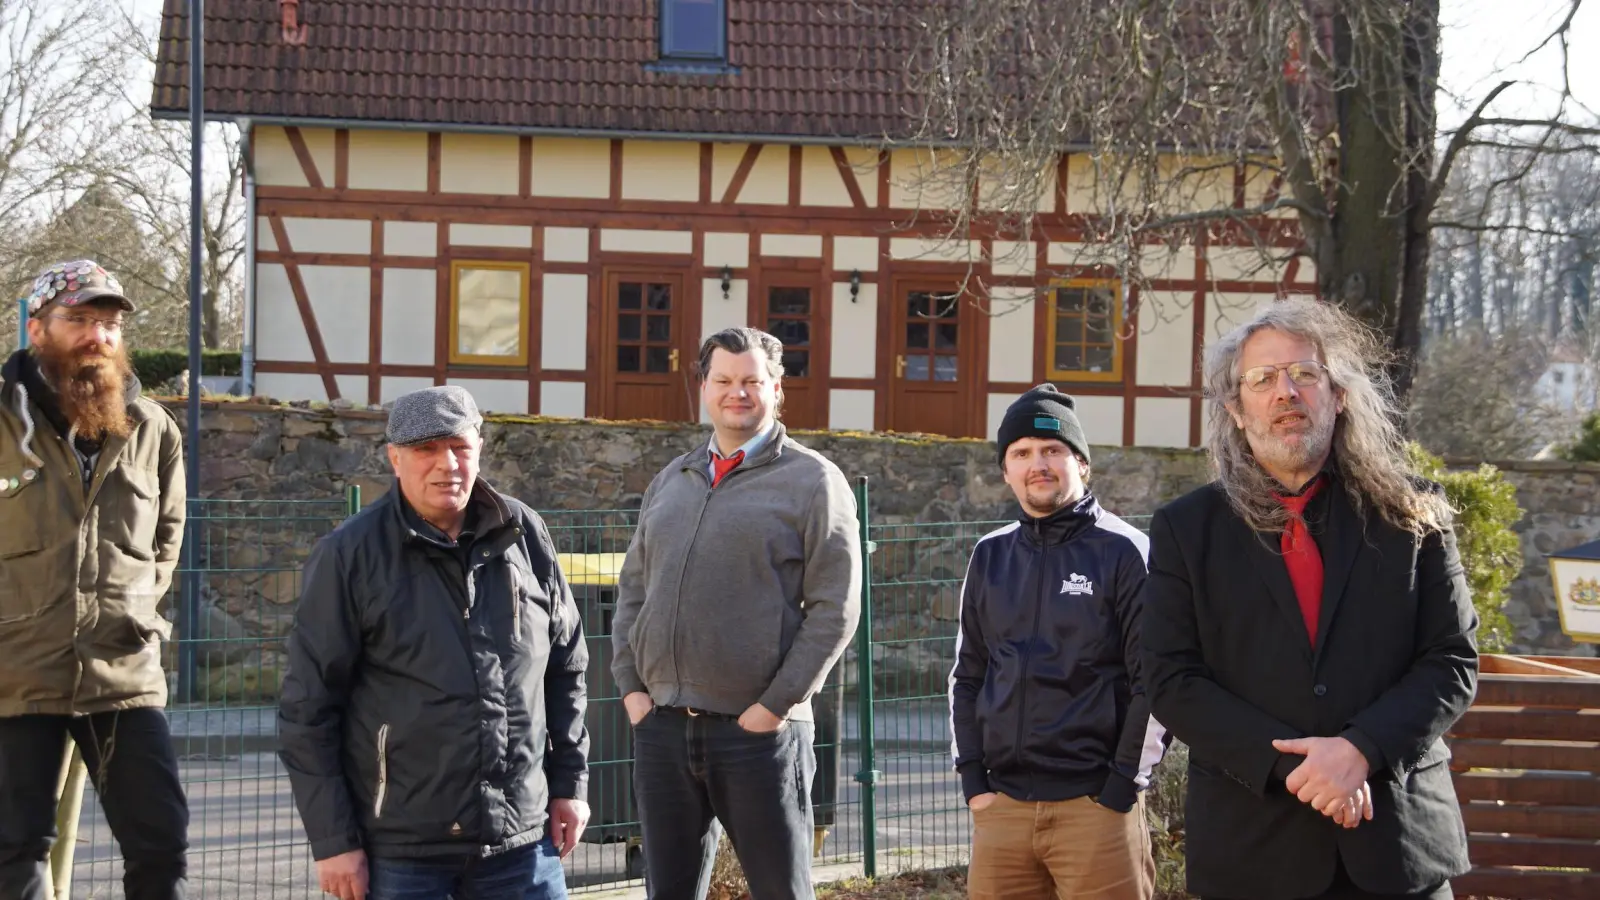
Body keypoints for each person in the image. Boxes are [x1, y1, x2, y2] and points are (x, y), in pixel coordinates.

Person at [1142, 298, 1478, 900]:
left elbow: (1452, 661)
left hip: (1397, 842)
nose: (1285, 393)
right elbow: (1170, 678)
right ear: (1236, 411)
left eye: (1305, 374)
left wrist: (1359, 750)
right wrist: (1303, 770)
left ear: (1340, 396)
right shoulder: (1186, 530)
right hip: (1255, 849)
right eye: (1263, 378)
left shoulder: (1412, 512)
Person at [279, 385, 589, 900]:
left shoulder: (523, 535)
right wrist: (334, 841)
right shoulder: (350, 556)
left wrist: (570, 786)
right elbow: (307, 711)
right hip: (403, 854)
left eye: (460, 447)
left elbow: (567, 668)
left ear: (480, 449)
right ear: (394, 459)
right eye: (426, 449)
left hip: (523, 846)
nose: (446, 463)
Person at [612, 326, 862, 900]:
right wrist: (632, 689)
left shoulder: (814, 481)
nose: (737, 393)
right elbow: (632, 591)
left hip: (759, 736)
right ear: (704, 387)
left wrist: (774, 707)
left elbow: (836, 608)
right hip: (663, 728)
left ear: (777, 389)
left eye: (753, 381)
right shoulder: (672, 479)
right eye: (723, 380)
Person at [0, 260, 190, 900]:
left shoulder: (153, 428)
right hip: (13, 672)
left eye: (108, 324)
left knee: (161, 840)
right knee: (13, 847)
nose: (97, 337)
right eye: (79, 319)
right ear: (37, 328)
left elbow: (167, 539)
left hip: (122, 670)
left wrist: (135, 611)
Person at [948, 384, 1165, 900]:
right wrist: (974, 780)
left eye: (1052, 450)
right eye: (1021, 453)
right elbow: (967, 675)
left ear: (1082, 463)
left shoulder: (1129, 552)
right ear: (1006, 471)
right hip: (1002, 809)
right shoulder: (989, 554)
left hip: (1095, 810)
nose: (1037, 464)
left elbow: (1154, 683)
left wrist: (1120, 787)